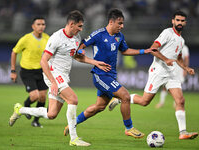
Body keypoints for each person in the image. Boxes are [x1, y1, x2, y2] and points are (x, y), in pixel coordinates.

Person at [9, 10, 111, 146]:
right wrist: (53, 82)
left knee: (51, 114)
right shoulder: (56, 37)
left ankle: (20, 110)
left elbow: (76, 56)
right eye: (79, 26)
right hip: (53, 74)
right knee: (73, 99)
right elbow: (43, 61)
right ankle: (74, 138)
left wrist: (95, 62)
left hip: (63, 75)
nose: (81, 29)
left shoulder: (76, 37)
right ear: (71, 24)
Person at [108, 10, 198, 140]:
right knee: (145, 101)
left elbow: (178, 57)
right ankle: (121, 99)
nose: (180, 23)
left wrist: (186, 67)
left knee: (180, 100)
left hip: (171, 73)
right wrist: (166, 59)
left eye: (182, 21)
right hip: (159, 70)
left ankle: (183, 132)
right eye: (177, 20)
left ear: (185, 22)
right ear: (173, 21)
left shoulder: (181, 40)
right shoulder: (167, 33)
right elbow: (153, 49)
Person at [63, 8, 152, 139]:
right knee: (125, 96)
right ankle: (129, 128)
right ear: (111, 22)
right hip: (100, 75)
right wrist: (82, 53)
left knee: (99, 107)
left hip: (111, 75)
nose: (122, 26)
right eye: (119, 23)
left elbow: (125, 51)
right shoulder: (98, 34)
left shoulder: (119, 36)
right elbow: (81, 46)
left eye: (122, 23)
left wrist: (145, 51)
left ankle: (72, 123)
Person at [10, 17, 49, 127]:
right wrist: (13, 70)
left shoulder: (47, 38)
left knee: (42, 97)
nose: (41, 26)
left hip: (41, 71)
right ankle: (26, 106)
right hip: (27, 71)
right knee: (35, 96)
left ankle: (36, 121)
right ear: (33, 26)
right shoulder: (26, 39)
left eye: (43, 24)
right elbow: (14, 52)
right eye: (38, 24)